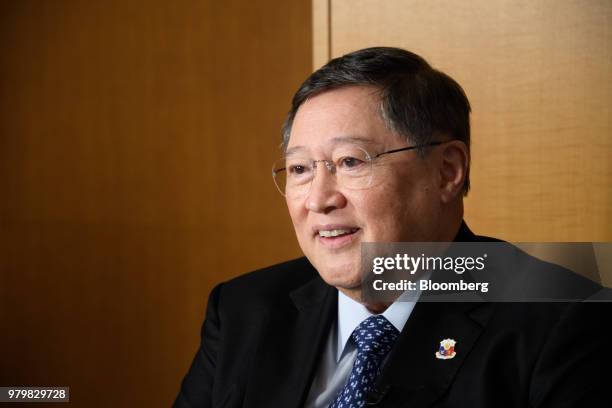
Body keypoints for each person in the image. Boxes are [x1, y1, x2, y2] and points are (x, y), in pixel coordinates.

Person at [174, 47, 608, 407]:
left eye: (350, 162)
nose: (319, 199)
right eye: (300, 169)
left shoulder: (567, 320)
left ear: (447, 171)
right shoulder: (243, 310)